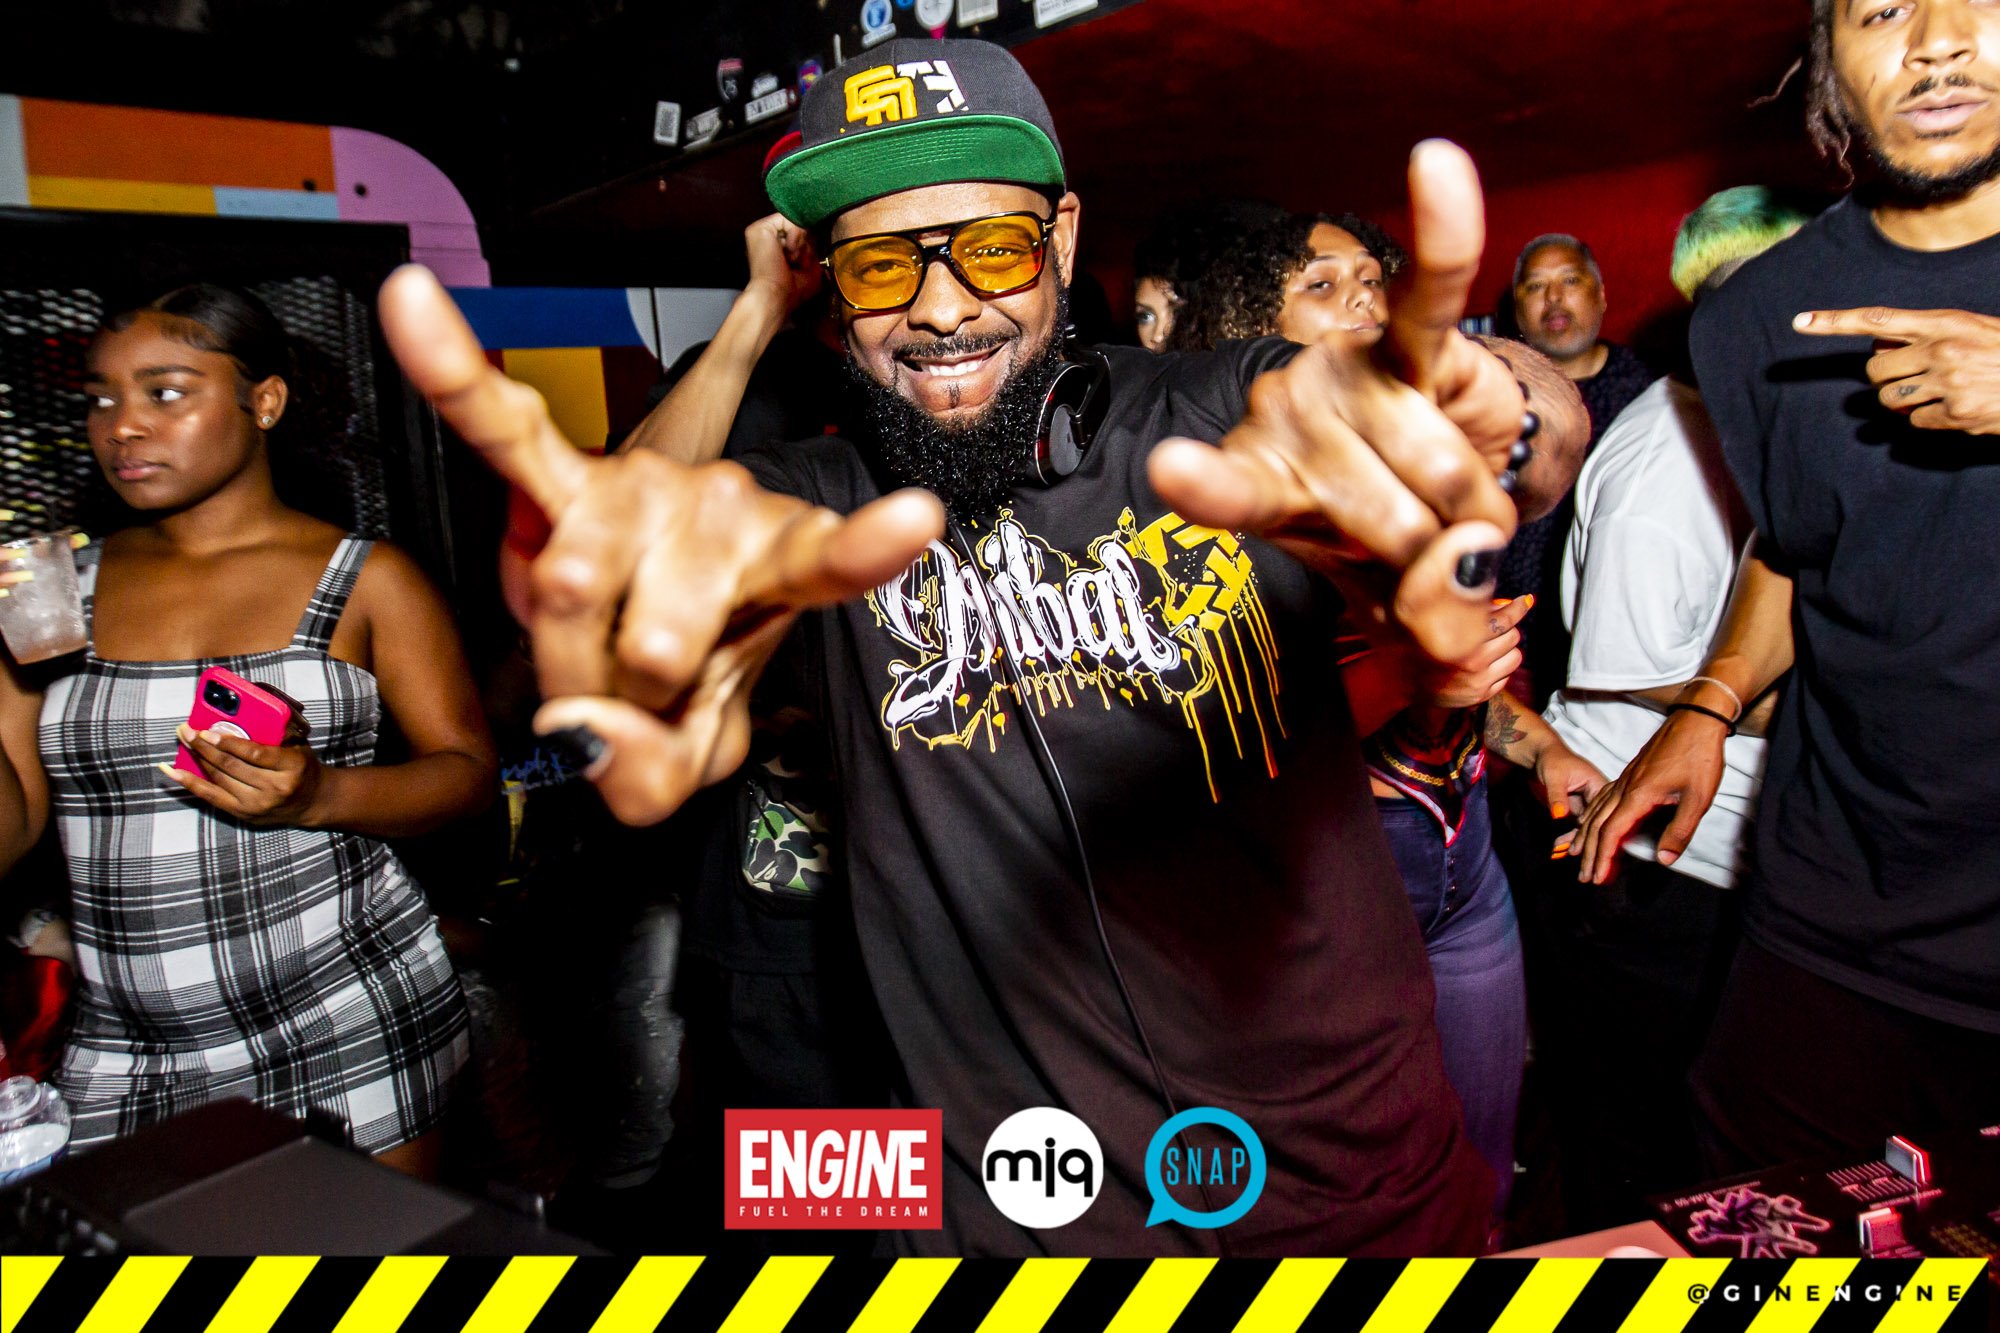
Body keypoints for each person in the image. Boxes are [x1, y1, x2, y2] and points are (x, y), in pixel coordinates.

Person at [379, 38, 1586, 1255]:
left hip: (1355, 1191)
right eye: (880, 265)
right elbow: (641, 543)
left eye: (993, 249)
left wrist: (1489, 416)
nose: (943, 308)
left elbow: (1494, 422)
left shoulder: (1217, 421)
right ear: (830, 287)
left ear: (1061, 239)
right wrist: (619, 569)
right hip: (1015, 1217)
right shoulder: (816, 516)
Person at [1578, 0, 2000, 1174]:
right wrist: (1709, 702)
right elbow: (1797, 540)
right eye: (1881, 9)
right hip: (1835, 906)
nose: (1934, 41)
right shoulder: (1751, 318)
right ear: (1827, 62)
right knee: (1760, 1228)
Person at [1157, 203, 1599, 1214]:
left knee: (1479, 1167)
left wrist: (1542, 748)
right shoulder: (1222, 503)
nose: (1361, 300)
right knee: (1342, 1190)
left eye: (1370, 280)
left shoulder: (1413, 468)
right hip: (1331, 872)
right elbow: (1227, 754)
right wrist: (1409, 678)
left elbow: (1551, 440)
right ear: (1250, 330)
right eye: (1321, 284)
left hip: (1464, 858)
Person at [0, 284, 496, 1174]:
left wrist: (322, 793)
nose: (122, 426)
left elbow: (466, 775)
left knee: (375, 1263)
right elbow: (14, 830)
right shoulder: (49, 586)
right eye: (100, 399)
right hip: (123, 1048)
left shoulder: (367, 578)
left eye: (164, 392)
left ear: (263, 401)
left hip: (348, 1012)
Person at [1531, 187, 1812, 1226]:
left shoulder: (1748, 431)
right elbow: (1617, 667)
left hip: (1705, 852)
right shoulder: (1667, 455)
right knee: (1643, 1166)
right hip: (1648, 862)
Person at [1501, 235, 1658, 705]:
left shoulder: (1653, 394)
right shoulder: (1488, 397)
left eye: (1569, 280)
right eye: (1535, 286)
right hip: (1515, 655)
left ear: (1601, 294)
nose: (1553, 298)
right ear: (1517, 308)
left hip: (1632, 655)